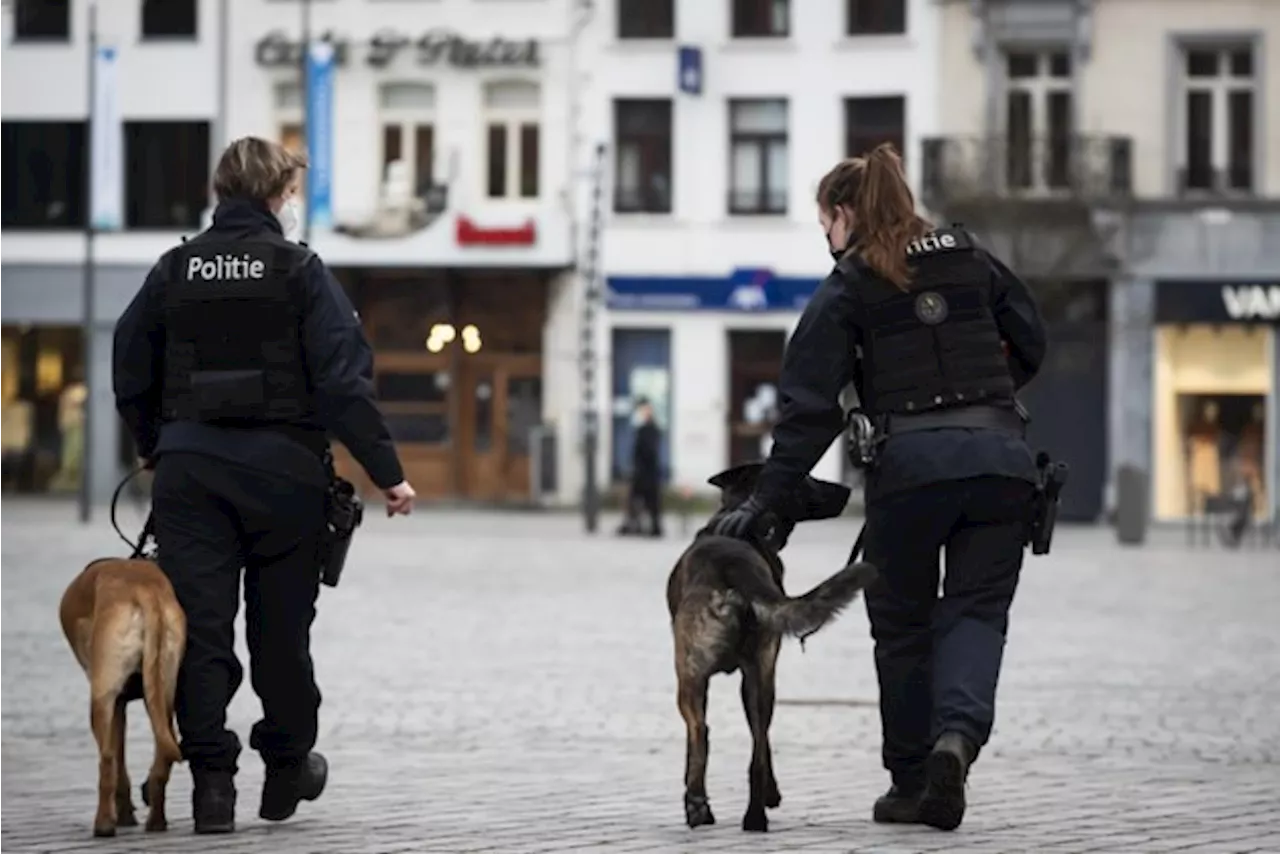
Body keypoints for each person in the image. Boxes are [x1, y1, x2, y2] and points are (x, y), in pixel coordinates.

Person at [709, 143, 1047, 831]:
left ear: (842, 215)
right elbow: (1031, 340)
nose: (826, 240)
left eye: (824, 226)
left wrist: (764, 501)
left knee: (901, 625)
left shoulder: (850, 282)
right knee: (979, 612)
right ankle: (957, 739)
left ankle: (912, 779)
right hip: (1001, 465)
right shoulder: (969, 255)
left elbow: (808, 411)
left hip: (911, 473)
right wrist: (981, 408)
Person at [112, 136, 417, 834]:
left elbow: (129, 364)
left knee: (200, 627)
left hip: (192, 476)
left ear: (222, 192)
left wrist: (155, 445)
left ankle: (211, 785)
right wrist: (387, 473)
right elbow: (344, 381)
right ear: (279, 195)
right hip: (284, 476)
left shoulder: (174, 268)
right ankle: (285, 765)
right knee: (282, 630)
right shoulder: (300, 269)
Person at [619, 397, 663, 537]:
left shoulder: (649, 430)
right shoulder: (644, 429)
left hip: (646, 471)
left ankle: (650, 526)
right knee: (639, 499)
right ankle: (637, 525)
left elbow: (648, 451)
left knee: (647, 499)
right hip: (643, 471)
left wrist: (638, 466)